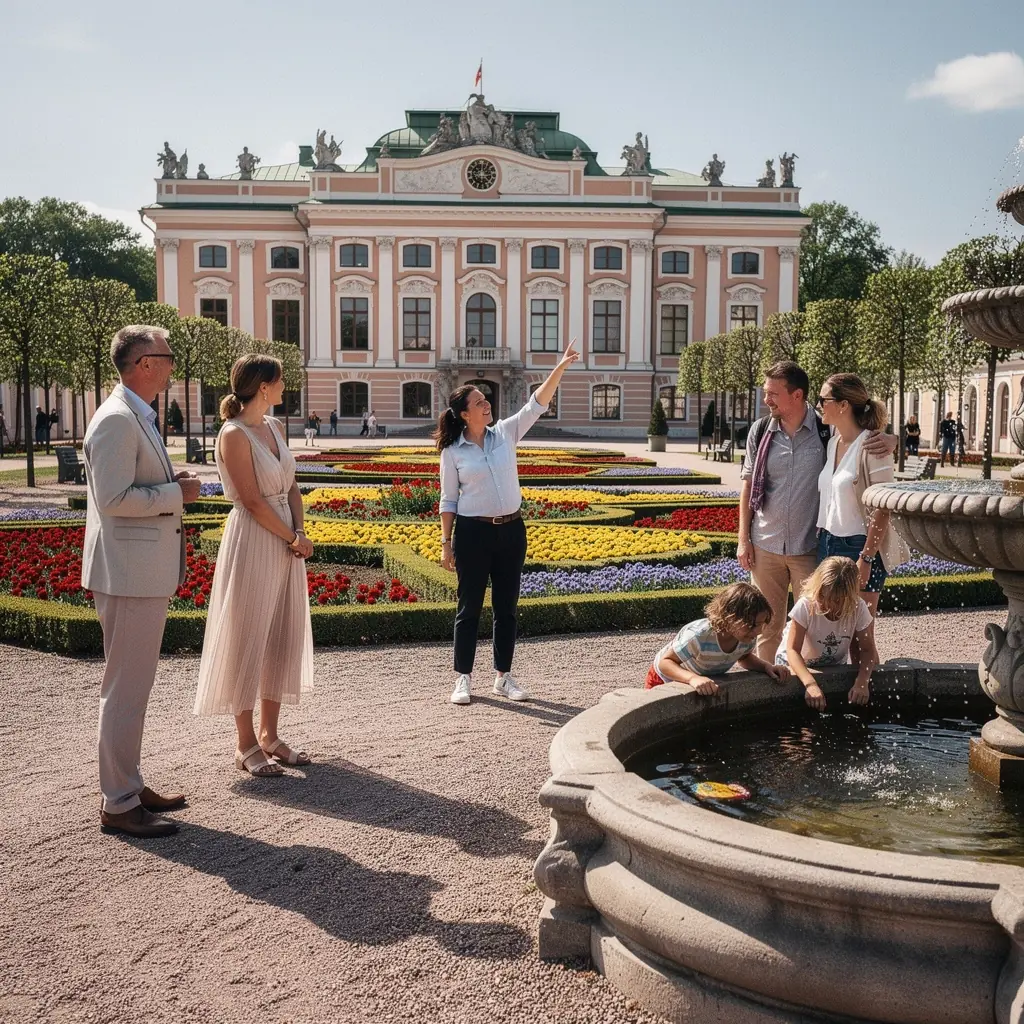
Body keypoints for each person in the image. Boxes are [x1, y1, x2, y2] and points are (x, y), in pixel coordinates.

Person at [82, 324, 202, 838]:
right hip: (129, 572)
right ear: (145, 363)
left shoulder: (135, 415)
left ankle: (127, 784)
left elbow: (133, 485)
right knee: (126, 689)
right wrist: (176, 496)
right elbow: (113, 500)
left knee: (133, 686)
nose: (174, 363)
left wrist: (167, 484)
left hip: (137, 569)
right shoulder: (116, 419)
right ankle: (119, 802)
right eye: (168, 355)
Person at [439, 339, 581, 705]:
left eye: (486, 401)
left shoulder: (505, 433)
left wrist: (560, 367)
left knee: (507, 608)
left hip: (511, 531)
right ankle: (463, 678)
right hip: (472, 534)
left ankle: (503, 677)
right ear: (464, 414)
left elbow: (537, 403)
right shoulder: (453, 453)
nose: (487, 404)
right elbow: (448, 500)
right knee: (468, 608)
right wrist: (445, 543)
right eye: (479, 403)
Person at [194, 354, 315, 776]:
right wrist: (291, 537)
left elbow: (292, 485)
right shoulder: (234, 434)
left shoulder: (276, 428)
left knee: (282, 633)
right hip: (254, 537)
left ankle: (270, 734)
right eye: (281, 381)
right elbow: (250, 499)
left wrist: (300, 531)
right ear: (263, 386)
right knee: (248, 634)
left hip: (286, 538)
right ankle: (244, 742)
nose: (286, 387)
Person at [738, 361, 897, 663]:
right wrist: (743, 538)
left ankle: (830, 693)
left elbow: (881, 498)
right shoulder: (766, 432)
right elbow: (747, 485)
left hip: (812, 547)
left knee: (828, 630)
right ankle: (765, 691)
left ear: (796, 395)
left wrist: (893, 440)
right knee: (765, 627)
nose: (766, 400)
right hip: (775, 543)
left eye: (772, 393)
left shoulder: (826, 432)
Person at [815, 372, 909, 618]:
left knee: (860, 634)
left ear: (843, 405)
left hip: (858, 547)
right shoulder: (833, 442)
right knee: (830, 628)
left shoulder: (874, 446)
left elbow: (883, 507)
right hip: (826, 542)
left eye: (823, 399)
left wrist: (866, 558)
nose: (818, 405)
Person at [643, 582, 789, 692]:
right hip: (663, 679)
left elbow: (744, 658)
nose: (759, 631)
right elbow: (665, 662)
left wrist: (766, 667)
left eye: (761, 624)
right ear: (730, 617)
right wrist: (692, 679)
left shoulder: (746, 637)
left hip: (699, 679)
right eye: (753, 625)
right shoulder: (700, 636)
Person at [777, 556, 879, 710]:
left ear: (849, 597)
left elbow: (867, 649)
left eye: (836, 600)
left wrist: (862, 682)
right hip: (793, 664)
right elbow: (792, 650)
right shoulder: (806, 605)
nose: (826, 604)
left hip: (832, 664)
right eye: (822, 596)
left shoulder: (858, 608)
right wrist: (810, 684)